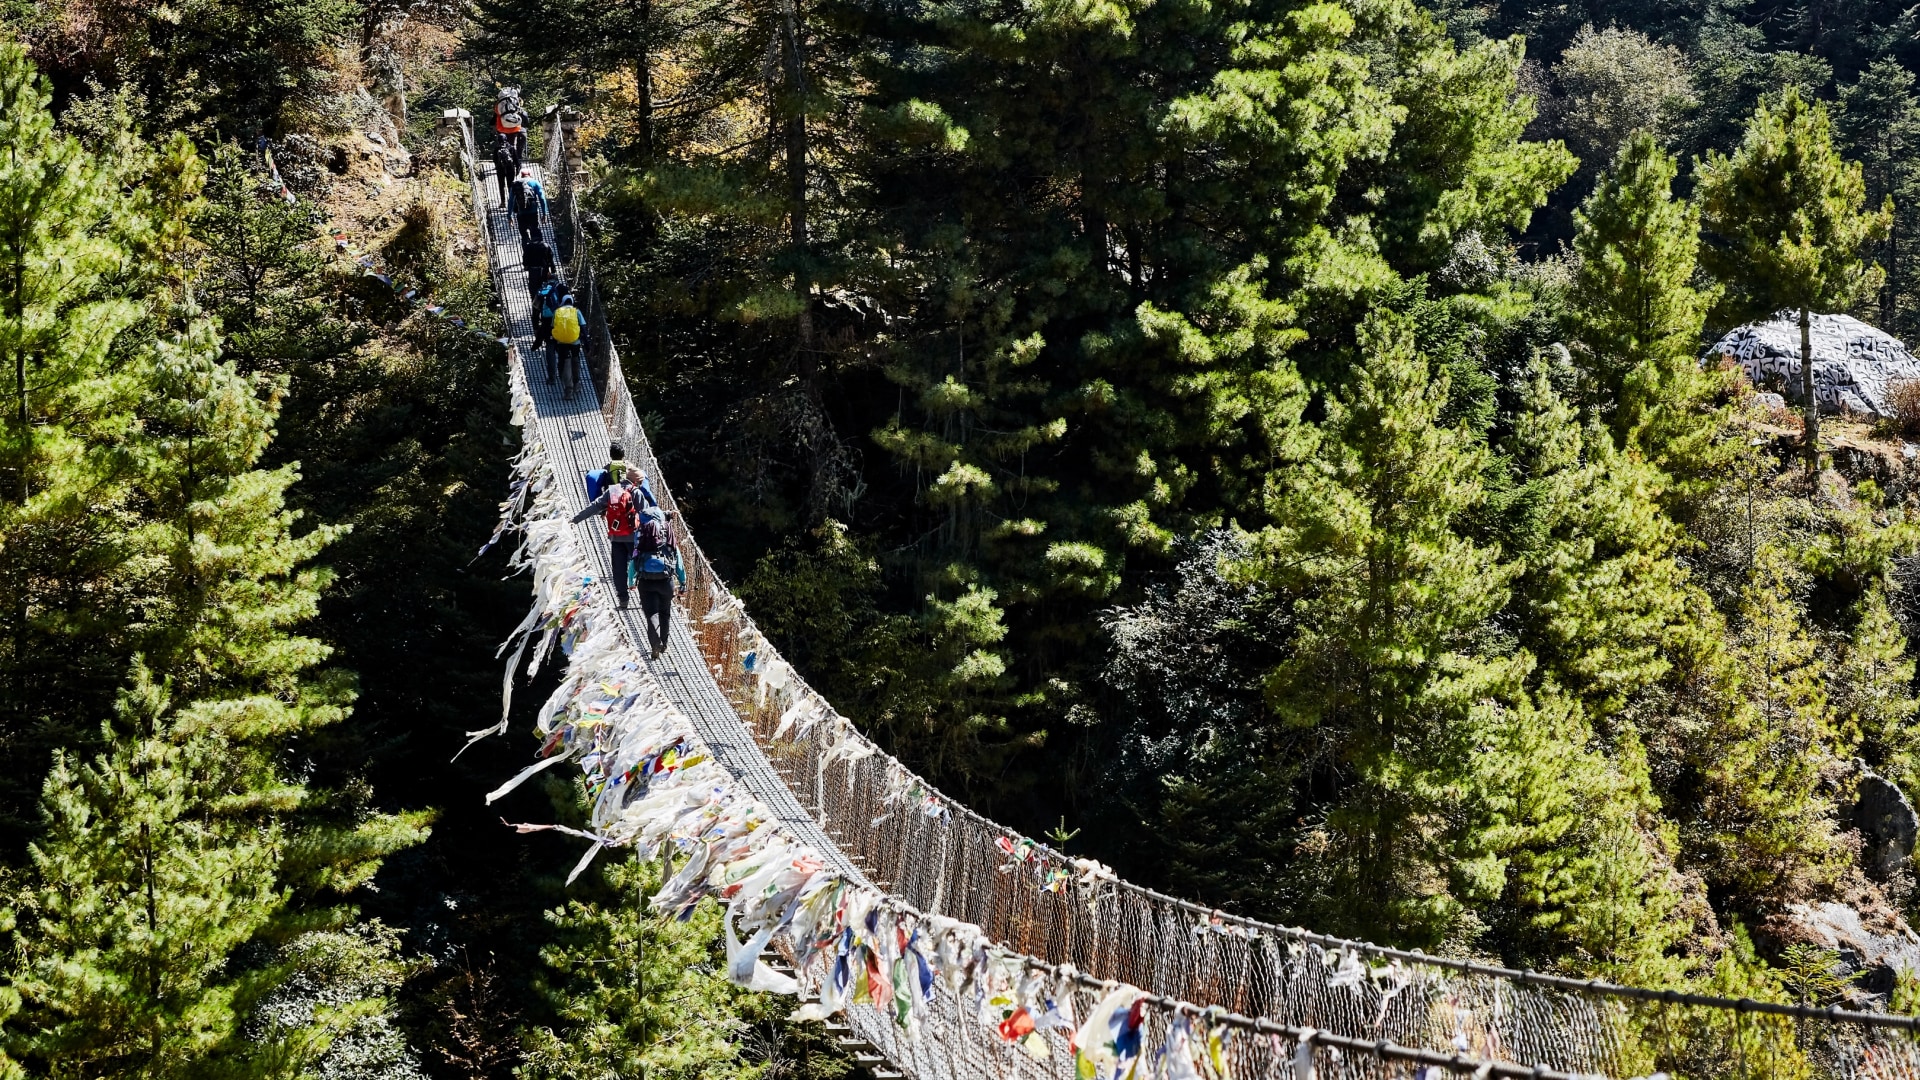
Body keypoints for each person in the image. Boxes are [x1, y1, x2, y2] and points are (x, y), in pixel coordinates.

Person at [569, 473, 643, 609]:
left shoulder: (613, 491)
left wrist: (575, 520)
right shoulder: (636, 492)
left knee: (619, 569)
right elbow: (645, 515)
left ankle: (623, 599)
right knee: (641, 566)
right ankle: (644, 598)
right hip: (634, 538)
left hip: (616, 536)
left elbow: (595, 506)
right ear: (636, 481)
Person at [632, 505, 681, 659]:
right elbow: (678, 560)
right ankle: (664, 644)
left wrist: (631, 580)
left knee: (651, 613)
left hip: (645, 580)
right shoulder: (668, 532)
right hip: (666, 580)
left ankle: (655, 644)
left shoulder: (641, 533)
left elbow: (634, 559)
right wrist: (683, 582)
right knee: (665, 613)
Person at [549, 293, 584, 392]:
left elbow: (552, 326)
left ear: (562, 302)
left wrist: (554, 341)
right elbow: (583, 327)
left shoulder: (557, 312)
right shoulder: (576, 311)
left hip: (561, 341)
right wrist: (587, 342)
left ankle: (568, 389)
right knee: (575, 359)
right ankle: (576, 383)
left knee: (566, 361)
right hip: (574, 340)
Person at [534, 276, 564, 375]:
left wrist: (536, 327)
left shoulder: (542, 292)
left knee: (550, 349)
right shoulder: (560, 290)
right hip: (559, 322)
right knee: (561, 348)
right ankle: (562, 372)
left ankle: (552, 377)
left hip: (546, 324)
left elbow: (535, 311)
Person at [494, 87, 527, 162]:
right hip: (515, 128)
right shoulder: (516, 105)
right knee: (513, 145)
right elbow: (524, 117)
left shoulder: (498, 106)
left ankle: (500, 160)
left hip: (501, 128)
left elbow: (494, 118)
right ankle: (516, 160)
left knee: (502, 144)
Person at [516, 170, 549, 244]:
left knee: (524, 235)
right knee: (535, 233)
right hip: (533, 213)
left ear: (521, 175)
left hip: (521, 213)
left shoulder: (516, 184)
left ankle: (526, 253)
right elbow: (542, 198)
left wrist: (509, 216)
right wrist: (544, 213)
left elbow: (511, 200)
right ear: (530, 175)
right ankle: (537, 250)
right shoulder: (535, 183)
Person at [523, 236, 554, 300]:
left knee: (533, 286)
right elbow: (550, 258)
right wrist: (553, 269)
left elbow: (525, 257)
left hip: (533, 269)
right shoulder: (546, 245)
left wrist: (525, 265)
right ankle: (544, 298)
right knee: (544, 284)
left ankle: (534, 300)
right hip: (544, 269)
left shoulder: (529, 246)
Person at [491, 139, 517, 205]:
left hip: (500, 169)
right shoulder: (511, 147)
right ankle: (512, 201)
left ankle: (503, 202)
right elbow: (516, 159)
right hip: (510, 169)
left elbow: (494, 159)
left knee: (501, 185)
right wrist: (517, 168)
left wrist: (497, 166)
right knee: (510, 185)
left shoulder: (497, 149)